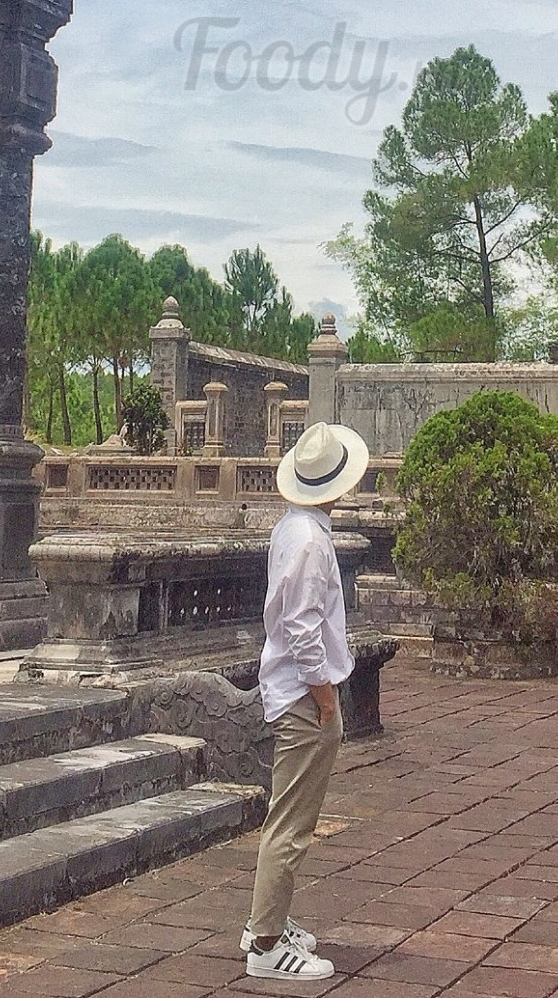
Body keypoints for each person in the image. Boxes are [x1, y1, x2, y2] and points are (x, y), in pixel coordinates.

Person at [242, 419, 370, 982]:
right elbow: (302, 628)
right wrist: (326, 698)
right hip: (303, 694)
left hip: (291, 688)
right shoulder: (313, 542)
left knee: (287, 814)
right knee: (292, 823)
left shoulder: (292, 528)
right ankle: (267, 945)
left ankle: (265, 921)